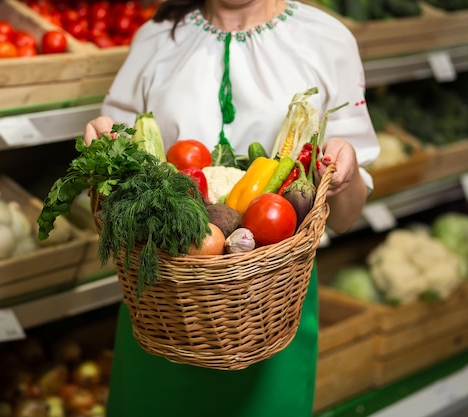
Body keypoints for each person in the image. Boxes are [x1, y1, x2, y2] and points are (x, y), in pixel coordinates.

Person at [83, 0, 380, 415]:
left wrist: (342, 170)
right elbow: (118, 164)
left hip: (271, 304)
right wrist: (104, 142)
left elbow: (346, 219)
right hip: (165, 298)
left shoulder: (326, 39)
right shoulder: (157, 37)